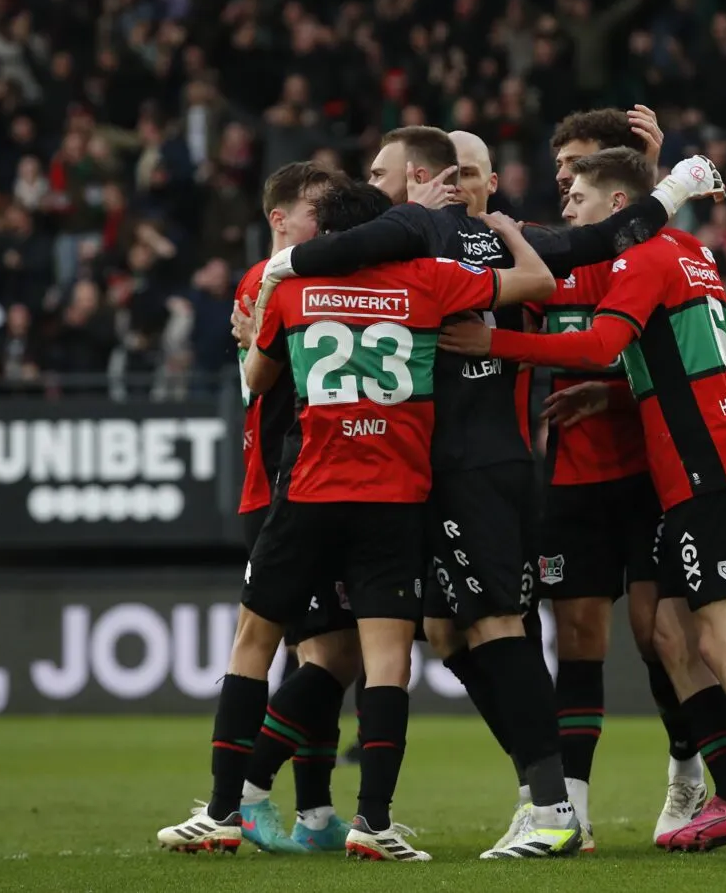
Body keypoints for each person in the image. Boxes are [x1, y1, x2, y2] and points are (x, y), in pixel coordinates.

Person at [255, 126, 725, 859]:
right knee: (448, 633)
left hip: (477, 466)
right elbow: (613, 234)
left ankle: (553, 803)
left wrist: (276, 270)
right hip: (446, 472)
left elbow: (326, 258)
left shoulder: (416, 230)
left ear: (428, 178)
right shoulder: (505, 241)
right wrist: (676, 185)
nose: (370, 185)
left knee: (496, 627)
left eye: (381, 173)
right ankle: (538, 795)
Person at [439, 148, 726, 857]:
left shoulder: (642, 261)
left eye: (580, 199)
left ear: (619, 206)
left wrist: (493, 339)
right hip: (699, 467)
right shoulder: (693, 253)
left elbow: (598, 344)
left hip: (705, 466)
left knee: (722, 642)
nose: (569, 212)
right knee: (675, 640)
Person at [197, 180, 559, 862]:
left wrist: (255, 333)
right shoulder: (430, 278)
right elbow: (537, 279)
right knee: (386, 659)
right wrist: (504, 230)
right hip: (394, 494)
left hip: (308, 491)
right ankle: (375, 822)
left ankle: (222, 811)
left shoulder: (294, 289)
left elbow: (259, 377)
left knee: (254, 644)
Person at [157, 162, 359, 855]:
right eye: (316, 210)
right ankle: (238, 797)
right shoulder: (277, 276)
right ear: (280, 219)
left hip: (300, 484)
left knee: (321, 652)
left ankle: (315, 812)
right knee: (332, 651)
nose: (328, 224)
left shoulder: (292, 274)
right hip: (287, 488)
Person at [540, 108, 711, 846]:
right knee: (577, 636)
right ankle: (571, 805)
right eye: (559, 170)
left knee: (654, 634)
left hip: (648, 470)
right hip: (571, 474)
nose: (565, 180)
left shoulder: (651, 256)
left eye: (579, 168)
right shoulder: (544, 257)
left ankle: (686, 768)